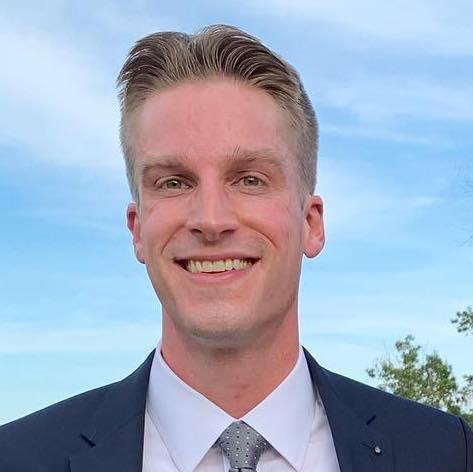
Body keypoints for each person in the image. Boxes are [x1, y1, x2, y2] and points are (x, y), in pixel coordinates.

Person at [0, 24, 471, 472]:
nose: (211, 219)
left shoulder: (445, 452)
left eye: (250, 179)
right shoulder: (16, 458)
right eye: (173, 182)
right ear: (137, 230)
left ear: (311, 224)